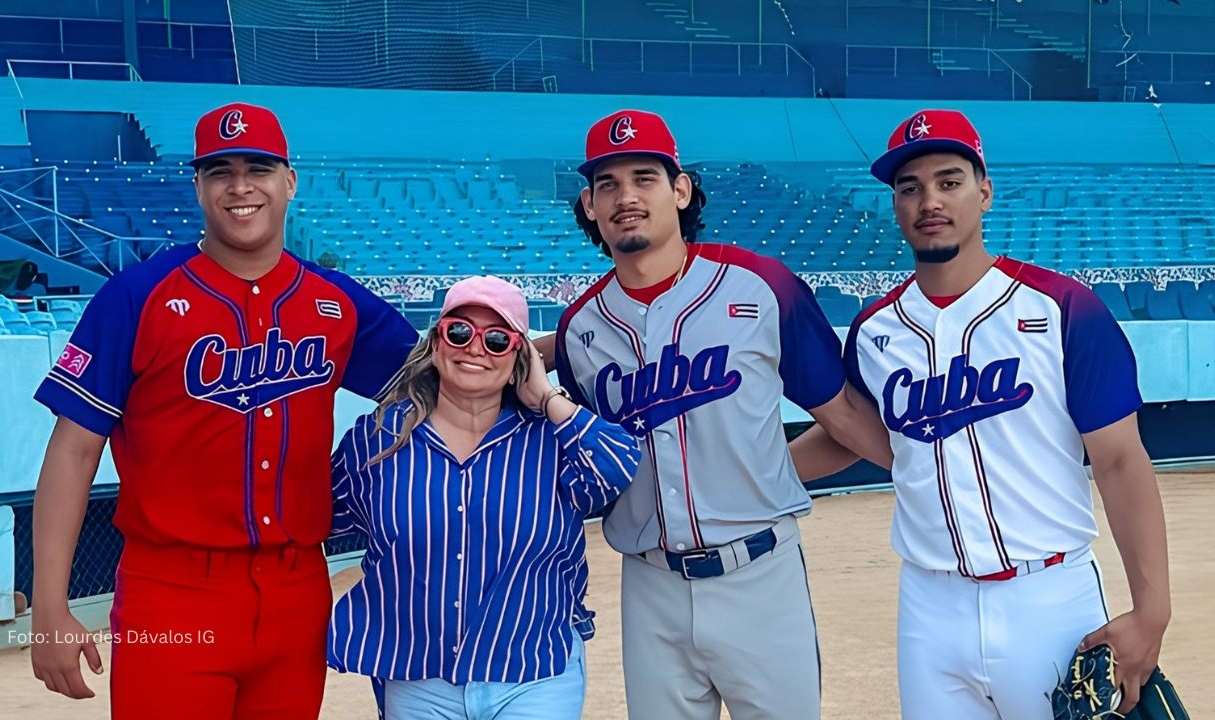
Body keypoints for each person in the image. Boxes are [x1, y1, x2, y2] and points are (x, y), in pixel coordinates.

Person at [30, 102, 418, 718]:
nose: (240, 187)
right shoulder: (137, 296)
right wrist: (49, 606)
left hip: (298, 589)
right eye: (220, 171)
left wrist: (558, 347)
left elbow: (457, 374)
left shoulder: (337, 302)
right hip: (172, 590)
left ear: (289, 181)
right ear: (198, 185)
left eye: (258, 168)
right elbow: (74, 450)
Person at [792, 108, 1172, 718]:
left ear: (985, 192)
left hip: (1048, 592)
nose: (929, 201)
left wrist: (1152, 610)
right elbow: (850, 433)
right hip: (928, 605)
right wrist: (752, 470)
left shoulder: (1061, 308)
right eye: (909, 188)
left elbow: (1122, 460)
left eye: (949, 181)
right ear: (895, 205)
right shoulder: (874, 328)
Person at [548, 109, 891, 720]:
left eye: (644, 177)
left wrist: (929, 478)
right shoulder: (580, 328)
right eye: (608, 184)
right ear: (590, 205)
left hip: (760, 573)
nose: (626, 196)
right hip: (648, 582)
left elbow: (842, 413)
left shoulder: (761, 286)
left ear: (680, 190)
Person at [327, 275, 640, 719]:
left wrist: (547, 397)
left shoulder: (551, 438)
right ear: (437, 343)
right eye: (459, 332)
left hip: (533, 673)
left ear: (519, 357)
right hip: (418, 680)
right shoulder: (381, 439)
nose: (475, 347)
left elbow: (620, 466)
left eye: (497, 339)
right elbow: (319, 516)